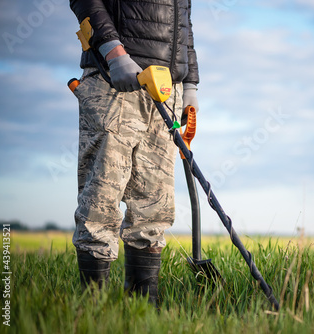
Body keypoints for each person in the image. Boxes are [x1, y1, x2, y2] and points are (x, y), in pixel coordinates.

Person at [69, 0, 199, 305]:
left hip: (168, 87)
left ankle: (143, 304)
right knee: (101, 199)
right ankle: (92, 307)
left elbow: (184, 24)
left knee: (156, 204)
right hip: (115, 78)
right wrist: (113, 51)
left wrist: (190, 84)